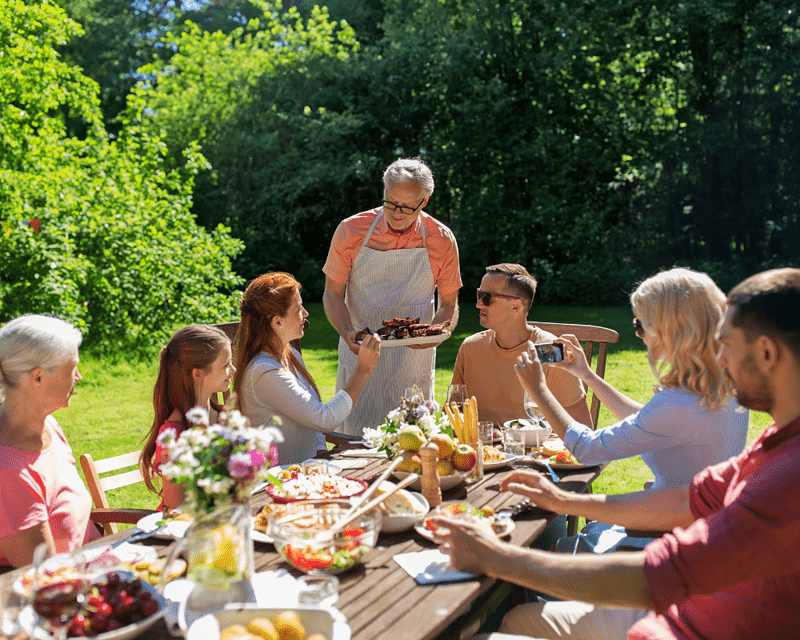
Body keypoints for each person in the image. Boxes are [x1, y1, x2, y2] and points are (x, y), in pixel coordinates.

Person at [434, 267, 800, 640]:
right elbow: (683, 498)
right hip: (675, 590)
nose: (720, 357)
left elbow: (654, 578)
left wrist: (496, 559)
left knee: (494, 627)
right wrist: (563, 500)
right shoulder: (769, 441)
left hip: (670, 614)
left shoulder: (783, 478)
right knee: (518, 614)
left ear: (767, 353)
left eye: (726, 344)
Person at [323, 157, 461, 435]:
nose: (397, 213)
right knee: (355, 441)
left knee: (413, 440)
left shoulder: (441, 239)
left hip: (413, 360)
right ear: (384, 192)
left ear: (424, 202)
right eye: (390, 202)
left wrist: (433, 334)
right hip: (359, 349)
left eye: (407, 207)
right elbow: (332, 294)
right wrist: (348, 331)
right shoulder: (351, 230)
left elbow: (449, 305)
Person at [235, 272, 381, 464]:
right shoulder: (264, 372)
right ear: (277, 321)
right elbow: (323, 418)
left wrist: (320, 447)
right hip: (278, 481)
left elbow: (310, 413)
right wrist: (363, 371)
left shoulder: (290, 355)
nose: (306, 313)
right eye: (298, 309)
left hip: (307, 470)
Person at [0, 315, 100, 568]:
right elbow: (45, 579)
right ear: (38, 378)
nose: (78, 376)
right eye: (72, 368)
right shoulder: (9, 471)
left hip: (93, 566)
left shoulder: (49, 426)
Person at [452, 263, 591, 427]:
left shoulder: (551, 351)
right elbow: (452, 416)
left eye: (487, 298)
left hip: (539, 450)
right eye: (479, 295)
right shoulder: (471, 348)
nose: (479, 304)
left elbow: (584, 430)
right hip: (483, 450)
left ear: (516, 306)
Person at [139, 324, 235, 511]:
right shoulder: (173, 437)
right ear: (198, 374)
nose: (234, 369)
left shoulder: (225, 417)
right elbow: (176, 509)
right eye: (226, 365)